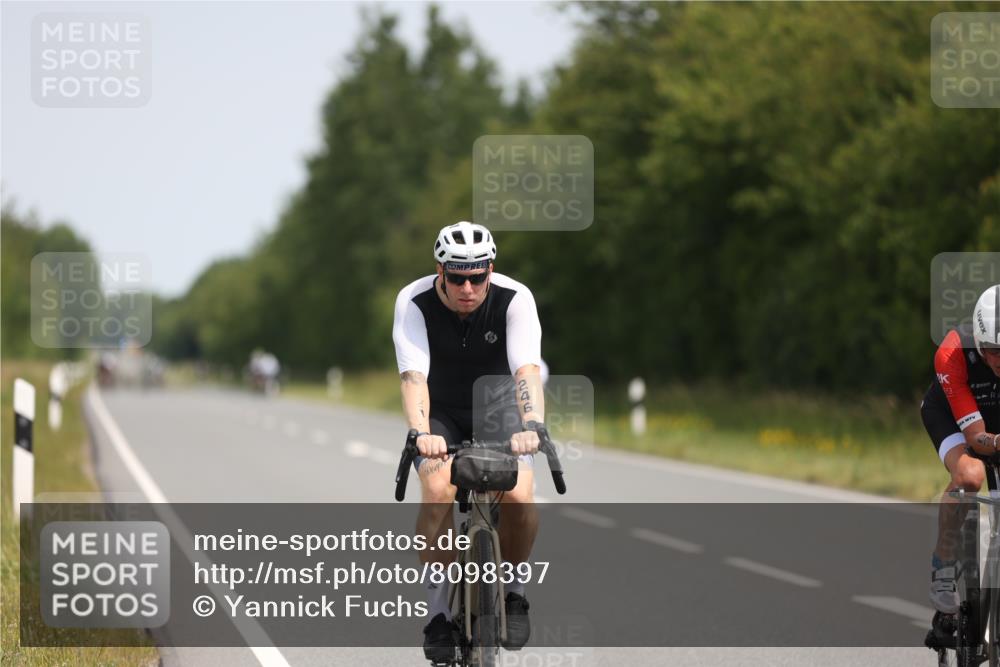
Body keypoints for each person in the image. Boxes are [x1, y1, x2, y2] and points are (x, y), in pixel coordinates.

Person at [392, 221, 546, 661]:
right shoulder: (414, 301)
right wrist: (421, 433)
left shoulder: (515, 299)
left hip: (497, 408)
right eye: (456, 276)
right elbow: (413, 376)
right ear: (439, 271)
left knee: (519, 493)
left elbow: (526, 371)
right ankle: (438, 615)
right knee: (438, 489)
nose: (466, 287)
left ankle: (514, 593)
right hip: (439, 411)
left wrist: (532, 425)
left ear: (489, 270)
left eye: (476, 277)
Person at [923, 284, 1000, 613]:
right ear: (980, 344)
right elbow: (976, 437)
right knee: (970, 475)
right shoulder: (952, 352)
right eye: (996, 350)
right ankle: (944, 564)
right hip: (953, 417)